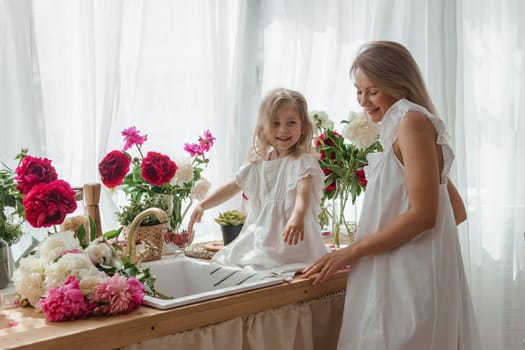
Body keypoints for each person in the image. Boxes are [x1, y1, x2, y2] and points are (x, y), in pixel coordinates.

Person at [302, 41, 482, 349]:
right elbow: (456, 210)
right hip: (407, 272)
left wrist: (351, 251)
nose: (363, 101)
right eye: (359, 91)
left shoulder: (411, 123)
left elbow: (425, 215)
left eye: (372, 91)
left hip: (409, 279)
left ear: (398, 83)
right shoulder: (407, 126)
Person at [188, 88, 329, 274]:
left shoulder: (302, 161)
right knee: (232, 261)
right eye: (275, 123)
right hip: (265, 239)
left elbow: (303, 196)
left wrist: (297, 217)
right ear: (263, 127)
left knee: (269, 266)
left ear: (302, 127)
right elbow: (232, 187)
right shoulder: (258, 164)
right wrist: (202, 205)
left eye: (291, 123)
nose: (283, 129)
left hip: (294, 241)